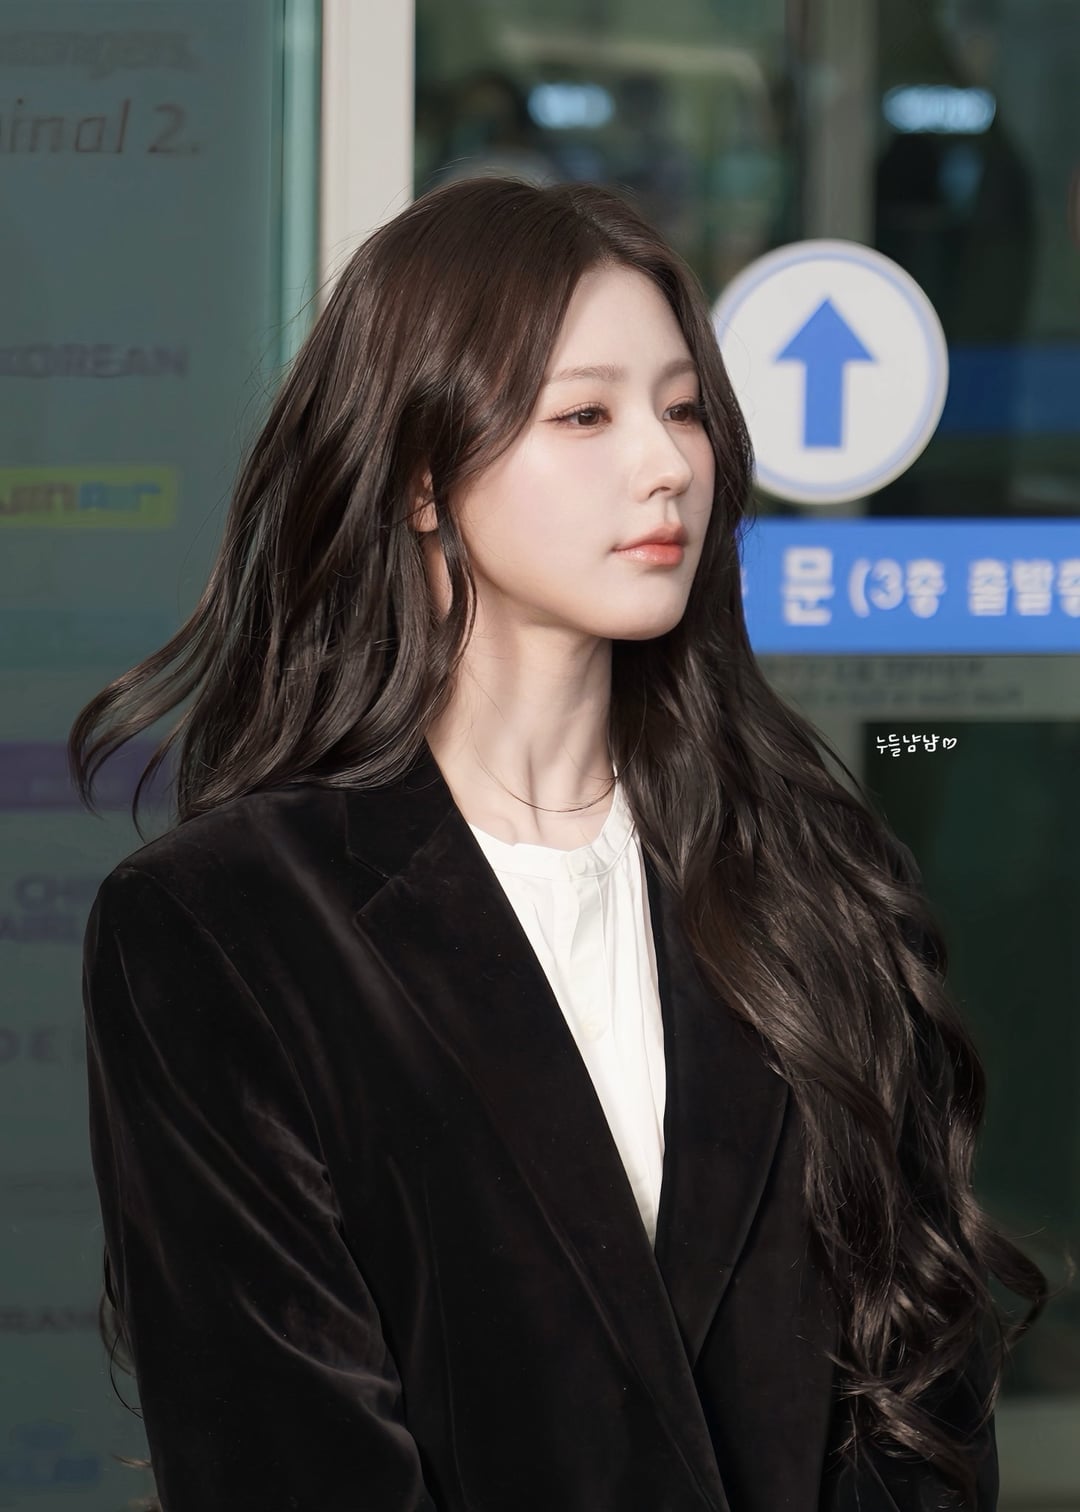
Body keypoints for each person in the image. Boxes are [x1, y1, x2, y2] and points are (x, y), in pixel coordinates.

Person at [70, 176, 1050, 1512]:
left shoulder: (815, 881)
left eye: (684, 409)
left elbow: (920, 1410)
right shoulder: (224, 926)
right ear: (422, 479)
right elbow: (286, 1457)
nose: (667, 464)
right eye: (586, 414)